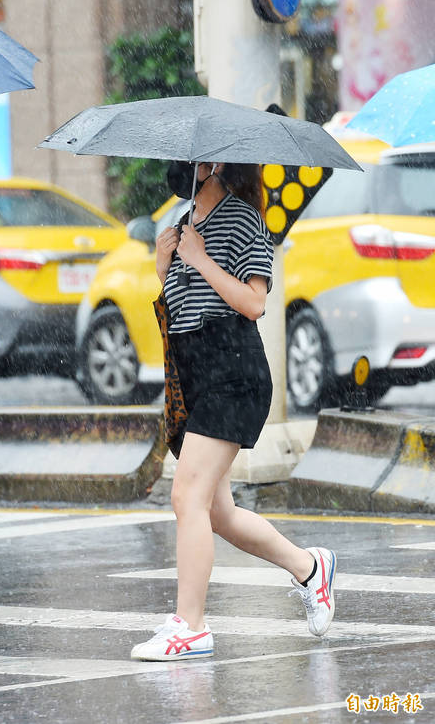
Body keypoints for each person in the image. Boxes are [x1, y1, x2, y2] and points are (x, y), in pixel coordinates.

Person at [130, 160, 336, 662]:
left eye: (192, 161)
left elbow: (252, 302)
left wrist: (198, 260)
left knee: (186, 497)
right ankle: (310, 568)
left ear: (216, 165)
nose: (179, 170)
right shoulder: (184, 223)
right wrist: (165, 266)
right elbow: (180, 306)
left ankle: (192, 626)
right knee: (216, 511)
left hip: (233, 370)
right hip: (193, 375)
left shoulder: (244, 218)